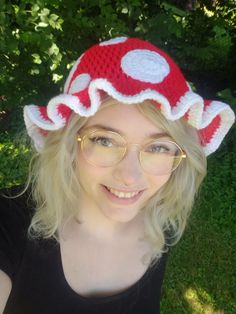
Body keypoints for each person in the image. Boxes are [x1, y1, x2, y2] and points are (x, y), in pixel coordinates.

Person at [0, 37, 234, 314]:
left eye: (158, 147)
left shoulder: (159, 224)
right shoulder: (9, 223)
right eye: (105, 141)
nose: (130, 176)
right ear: (68, 144)